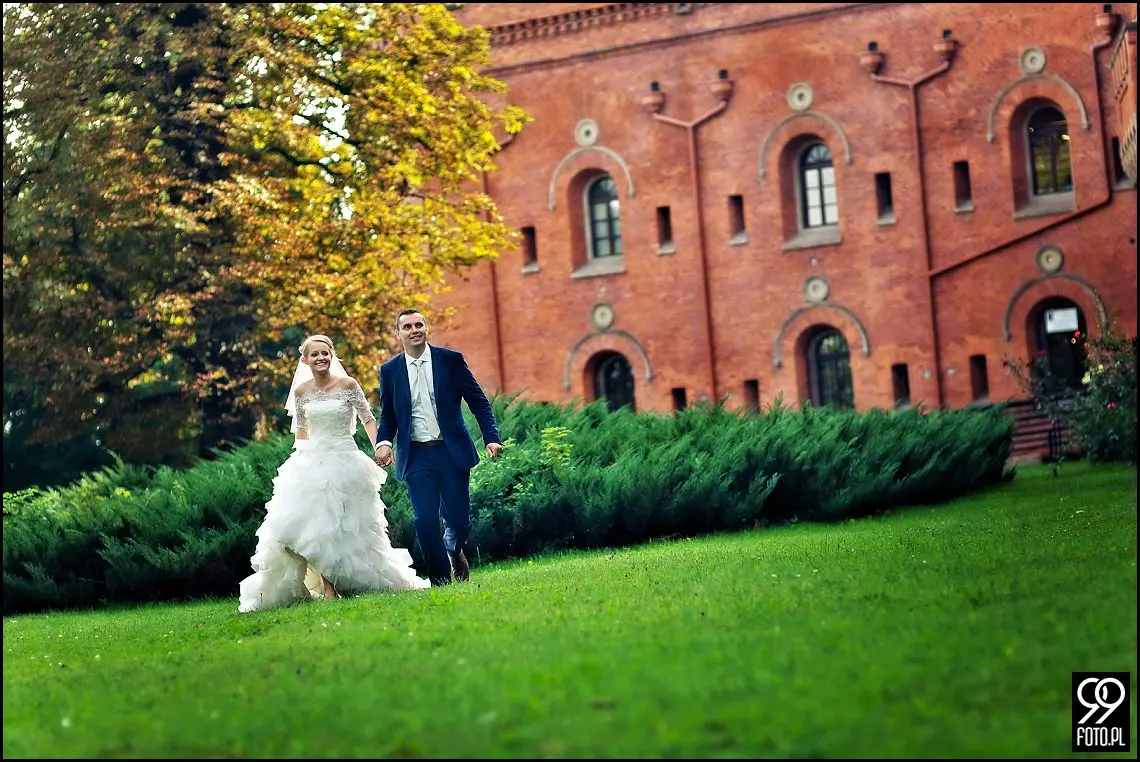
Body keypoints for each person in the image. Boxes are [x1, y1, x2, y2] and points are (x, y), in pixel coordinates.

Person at [238, 334, 429, 613]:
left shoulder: (349, 385)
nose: (321, 358)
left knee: (346, 524)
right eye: (314, 354)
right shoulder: (301, 392)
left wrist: (381, 447)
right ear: (305, 360)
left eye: (325, 353)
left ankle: (343, 582)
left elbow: (367, 418)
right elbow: (301, 431)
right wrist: (300, 461)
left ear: (332, 355)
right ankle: (328, 588)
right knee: (318, 525)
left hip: (346, 459)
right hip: (313, 461)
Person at [374, 309, 503, 586]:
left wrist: (492, 437)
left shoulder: (450, 361)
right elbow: (388, 415)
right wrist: (383, 443)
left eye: (419, 324)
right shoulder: (390, 370)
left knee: (458, 519)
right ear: (399, 334)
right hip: (417, 454)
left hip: (451, 451)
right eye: (407, 327)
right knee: (424, 520)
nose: (414, 330)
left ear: (426, 329)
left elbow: (478, 401)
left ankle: (453, 546)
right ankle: (440, 581)